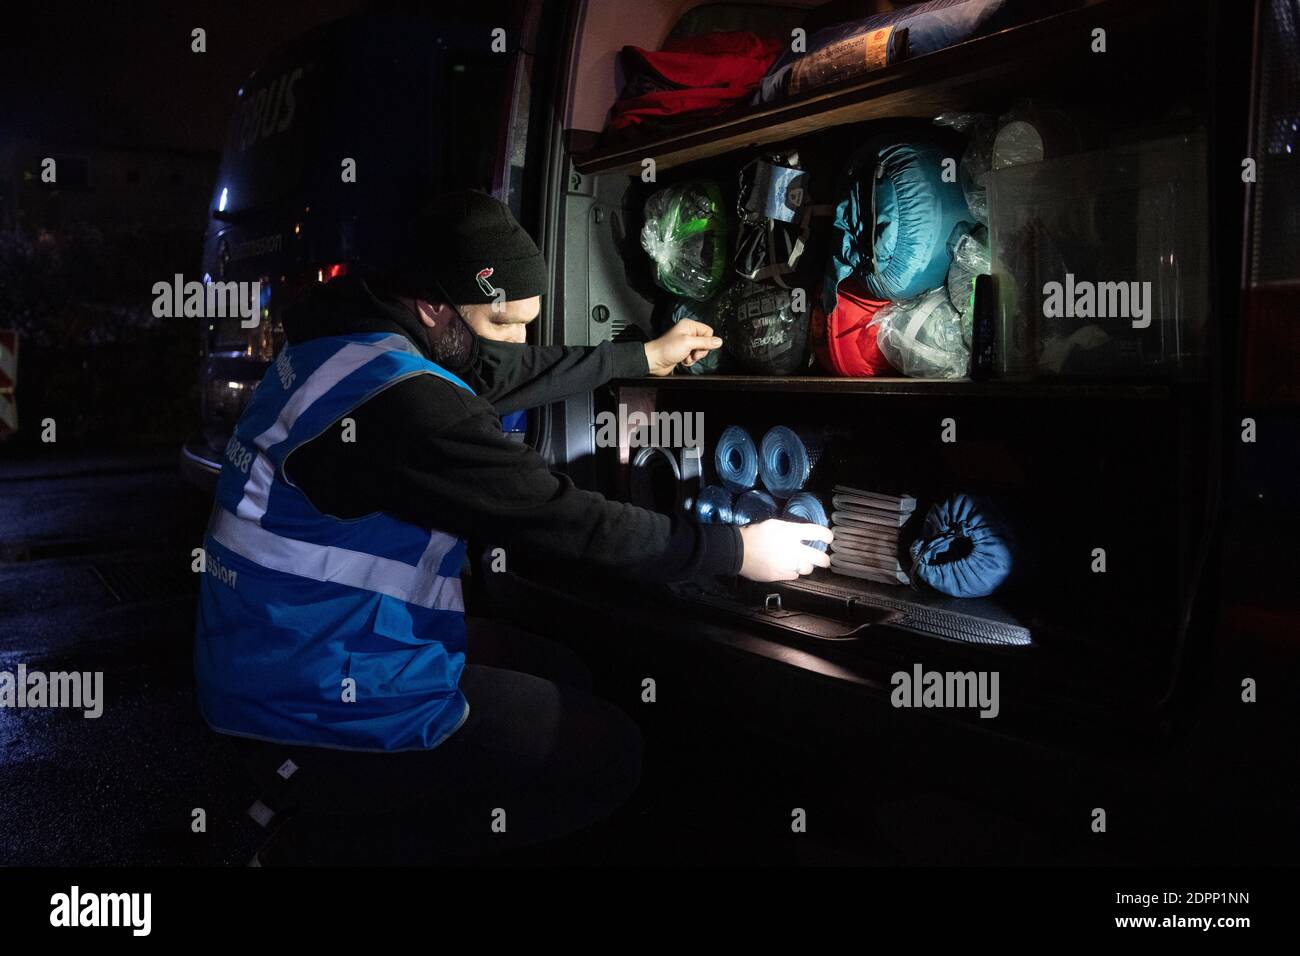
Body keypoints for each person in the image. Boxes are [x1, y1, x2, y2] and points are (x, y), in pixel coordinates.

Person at [194, 189, 832, 864]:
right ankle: (332, 844)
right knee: (609, 756)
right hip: (312, 694)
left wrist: (642, 358)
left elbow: (500, 367)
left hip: (287, 647)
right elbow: (566, 520)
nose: (517, 340)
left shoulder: (348, 343)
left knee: (559, 669)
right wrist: (736, 548)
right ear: (437, 307)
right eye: (503, 321)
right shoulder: (406, 406)